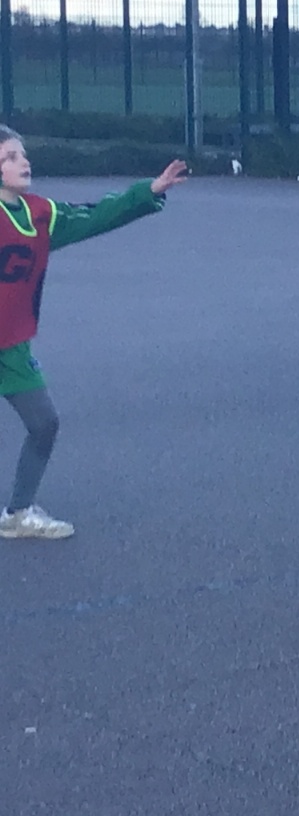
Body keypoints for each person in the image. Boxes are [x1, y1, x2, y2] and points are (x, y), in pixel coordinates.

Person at [0, 126, 186, 539]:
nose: (22, 162)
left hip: (11, 347)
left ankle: (18, 513)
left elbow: (95, 216)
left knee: (44, 424)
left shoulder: (40, 213)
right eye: (9, 158)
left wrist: (147, 192)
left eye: (22, 154)